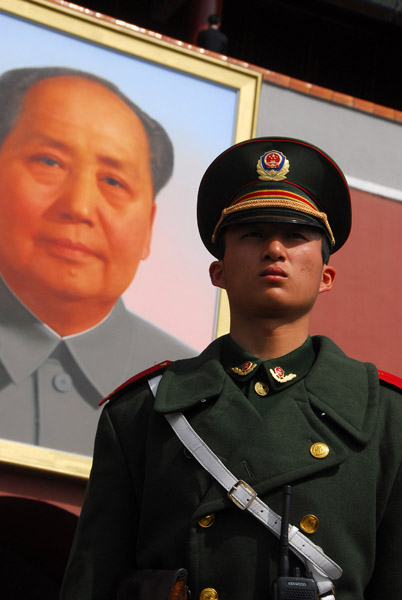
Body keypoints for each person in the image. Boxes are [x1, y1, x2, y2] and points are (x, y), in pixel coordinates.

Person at [60, 137, 402, 599]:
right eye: (253, 234)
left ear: (326, 276)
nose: (275, 249)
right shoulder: (142, 413)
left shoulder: (386, 418)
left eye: (296, 235)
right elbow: (92, 580)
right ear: (217, 271)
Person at [0, 67, 195, 455]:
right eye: (49, 162)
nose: (80, 207)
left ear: (149, 227)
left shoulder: (189, 384)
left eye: (113, 182)